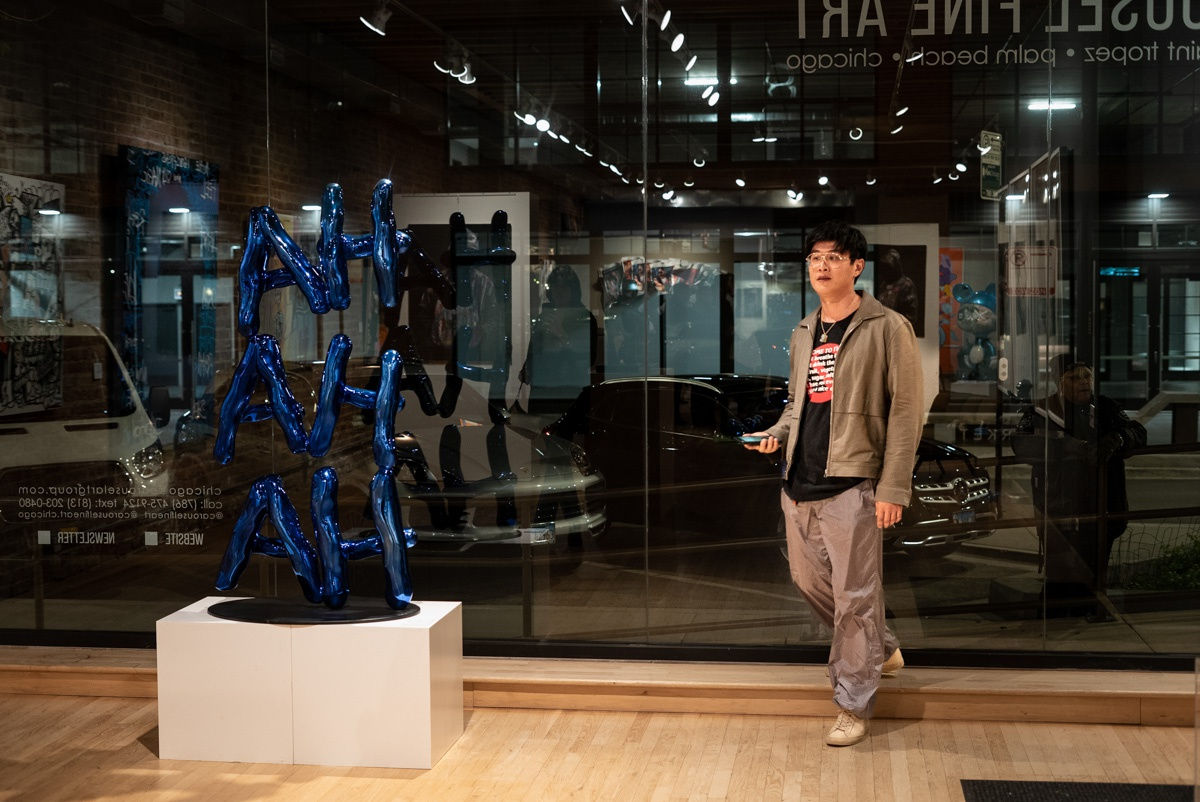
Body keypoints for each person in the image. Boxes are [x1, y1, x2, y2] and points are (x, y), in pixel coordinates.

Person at [744, 221, 923, 747]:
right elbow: (797, 405)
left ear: (856, 267)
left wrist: (893, 487)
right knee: (808, 582)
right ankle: (880, 648)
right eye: (814, 257)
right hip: (800, 480)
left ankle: (853, 704)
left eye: (834, 257)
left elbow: (907, 411)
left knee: (856, 596)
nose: (822, 266)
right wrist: (776, 435)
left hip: (853, 482)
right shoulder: (805, 330)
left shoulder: (888, 327)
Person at [1011, 355, 1146, 620]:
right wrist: (1064, 447)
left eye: (1087, 377)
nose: (1084, 382)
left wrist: (1118, 438)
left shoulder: (1105, 407)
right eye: (1075, 378)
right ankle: (1058, 612)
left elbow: (1138, 432)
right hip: (1059, 504)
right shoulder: (1042, 410)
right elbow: (1020, 443)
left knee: (1096, 562)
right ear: (1059, 383)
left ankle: (1091, 607)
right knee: (1061, 566)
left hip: (1101, 502)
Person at [518, 264, 598, 416]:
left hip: (569, 390)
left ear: (573, 290)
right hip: (542, 390)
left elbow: (588, 358)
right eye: (555, 287)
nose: (559, 292)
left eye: (564, 287)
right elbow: (534, 349)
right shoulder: (544, 317)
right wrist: (528, 367)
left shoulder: (585, 318)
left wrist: (562, 335)